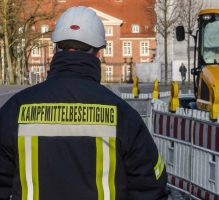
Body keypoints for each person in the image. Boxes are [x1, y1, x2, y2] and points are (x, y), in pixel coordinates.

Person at [0, 6, 167, 200]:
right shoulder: (123, 115)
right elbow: (151, 186)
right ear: (99, 53)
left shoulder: (15, 110)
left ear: (55, 50)